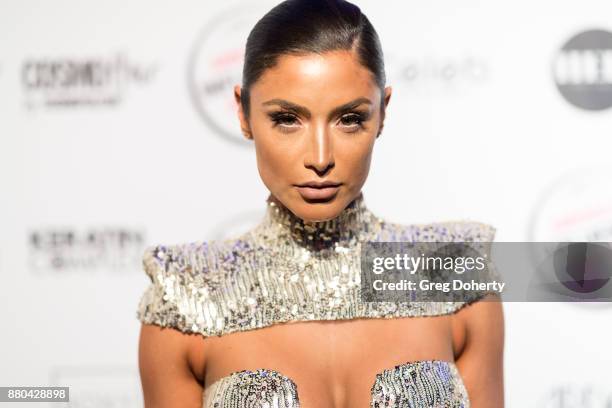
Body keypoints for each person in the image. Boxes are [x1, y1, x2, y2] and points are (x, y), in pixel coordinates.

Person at [136, 0, 504, 406]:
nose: (320, 156)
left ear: (382, 113)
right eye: (287, 118)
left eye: (349, 118)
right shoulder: (186, 295)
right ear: (243, 114)